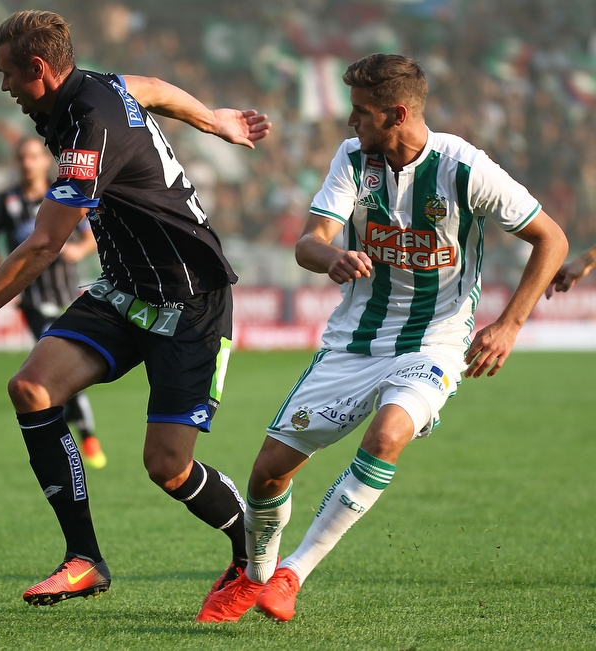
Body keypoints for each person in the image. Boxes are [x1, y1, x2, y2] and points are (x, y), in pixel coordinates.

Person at [0, 10, 269, 610]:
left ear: (40, 70)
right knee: (31, 388)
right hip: (125, 291)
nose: (4, 88)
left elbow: (46, 243)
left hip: (190, 300)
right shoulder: (93, 88)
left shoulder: (89, 127)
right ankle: (84, 560)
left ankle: (252, 548)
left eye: (8, 76)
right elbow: (148, 87)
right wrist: (213, 120)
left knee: (168, 468)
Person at [195, 53, 568, 623]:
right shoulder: (352, 159)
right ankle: (255, 575)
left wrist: (509, 324)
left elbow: (552, 239)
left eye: (361, 113)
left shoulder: (465, 168)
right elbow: (308, 241)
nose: (351, 123)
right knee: (268, 472)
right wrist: (332, 256)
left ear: (396, 114)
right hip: (354, 341)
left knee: (387, 435)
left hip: (435, 341)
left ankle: (294, 572)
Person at [0, 136, 106, 468]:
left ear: (45, 161)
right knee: (57, 365)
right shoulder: (3, 202)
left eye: (33, 156)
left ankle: (77, 432)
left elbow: (91, 232)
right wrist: (10, 273)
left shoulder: (64, 193)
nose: (27, 163)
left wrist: (79, 250)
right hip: (34, 302)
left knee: (61, 368)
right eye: (22, 157)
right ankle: (88, 434)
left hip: (68, 297)